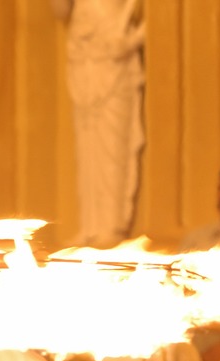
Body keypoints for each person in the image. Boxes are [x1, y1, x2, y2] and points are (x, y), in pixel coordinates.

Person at [53, 0, 145, 247]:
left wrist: (132, 39)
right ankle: (91, 225)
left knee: (112, 147)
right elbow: (59, 11)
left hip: (113, 57)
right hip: (84, 59)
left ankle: (112, 225)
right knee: (87, 149)